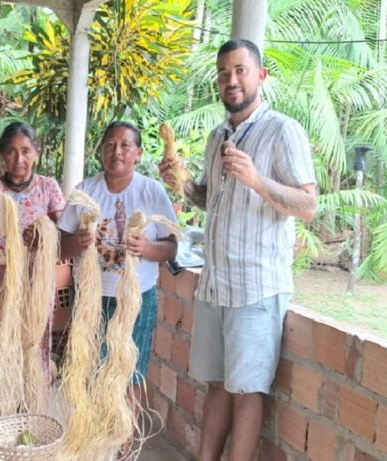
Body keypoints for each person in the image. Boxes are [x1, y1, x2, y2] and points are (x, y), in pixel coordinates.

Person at [160, 39, 317, 461]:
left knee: (247, 392)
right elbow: (213, 201)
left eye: (241, 70)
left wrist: (257, 180)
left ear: (260, 76)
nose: (232, 80)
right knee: (215, 384)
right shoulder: (217, 137)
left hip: (256, 289)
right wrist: (185, 186)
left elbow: (308, 206)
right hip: (215, 285)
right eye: (224, 72)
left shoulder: (283, 130)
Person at [57, 121, 178, 452]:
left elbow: (171, 247)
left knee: (129, 375)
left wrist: (146, 250)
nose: (117, 151)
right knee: (90, 372)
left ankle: (123, 449)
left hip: (135, 301)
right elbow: (60, 245)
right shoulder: (86, 191)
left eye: (125, 146)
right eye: (110, 144)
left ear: (138, 154)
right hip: (91, 301)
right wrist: (78, 243)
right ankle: (92, 446)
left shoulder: (151, 191)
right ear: (101, 151)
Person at [0, 121, 66, 382]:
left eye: (26, 151)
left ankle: (30, 411)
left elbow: (62, 232)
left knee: (32, 345)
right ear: (2, 155)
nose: (19, 159)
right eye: (12, 151)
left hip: (34, 282)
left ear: (36, 152)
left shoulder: (48, 188)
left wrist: (43, 235)